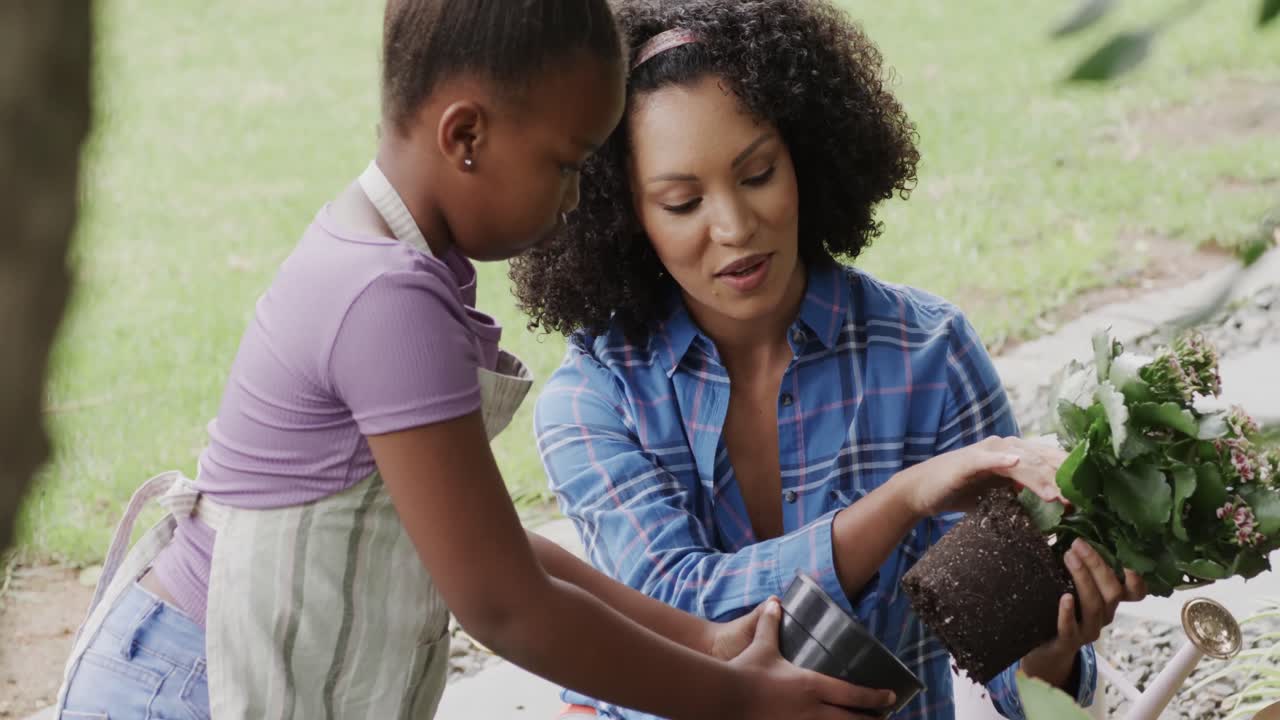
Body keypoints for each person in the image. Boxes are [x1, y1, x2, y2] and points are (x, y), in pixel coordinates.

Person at [54, 1, 893, 718]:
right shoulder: (387, 301)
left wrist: (705, 638)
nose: (576, 197)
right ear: (465, 135)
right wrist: (736, 700)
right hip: (190, 686)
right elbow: (503, 607)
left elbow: (499, 550)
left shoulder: (395, 262)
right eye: (566, 164)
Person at [510, 1, 1148, 718]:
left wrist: (1048, 650)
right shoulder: (598, 397)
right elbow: (683, 610)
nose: (735, 226)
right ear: (626, 216)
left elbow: (1007, 663)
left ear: (805, 159)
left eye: (757, 175)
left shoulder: (926, 357)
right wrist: (906, 497)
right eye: (683, 202)